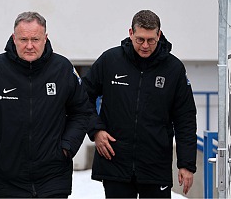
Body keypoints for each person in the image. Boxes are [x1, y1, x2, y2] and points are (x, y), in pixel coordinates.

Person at [0, 12, 91, 198]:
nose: (29, 45)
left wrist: (67, 147)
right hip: (8, 179)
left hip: (53, 178)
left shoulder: (62, 69)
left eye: (35, 39)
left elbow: (81, 112)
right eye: (23, 39)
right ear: (14, 38)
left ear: (45, 38)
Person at [82, 10, 197, 198]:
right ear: (130, 33)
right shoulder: (110, 61)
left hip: (155, 166)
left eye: (151, 40)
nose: (145, 45)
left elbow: (185, 119)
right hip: (115, 162)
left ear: (159, 35)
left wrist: (186, 164)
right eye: (140, 39)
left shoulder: (174, 69)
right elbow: (81, 97)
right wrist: (96, 130)